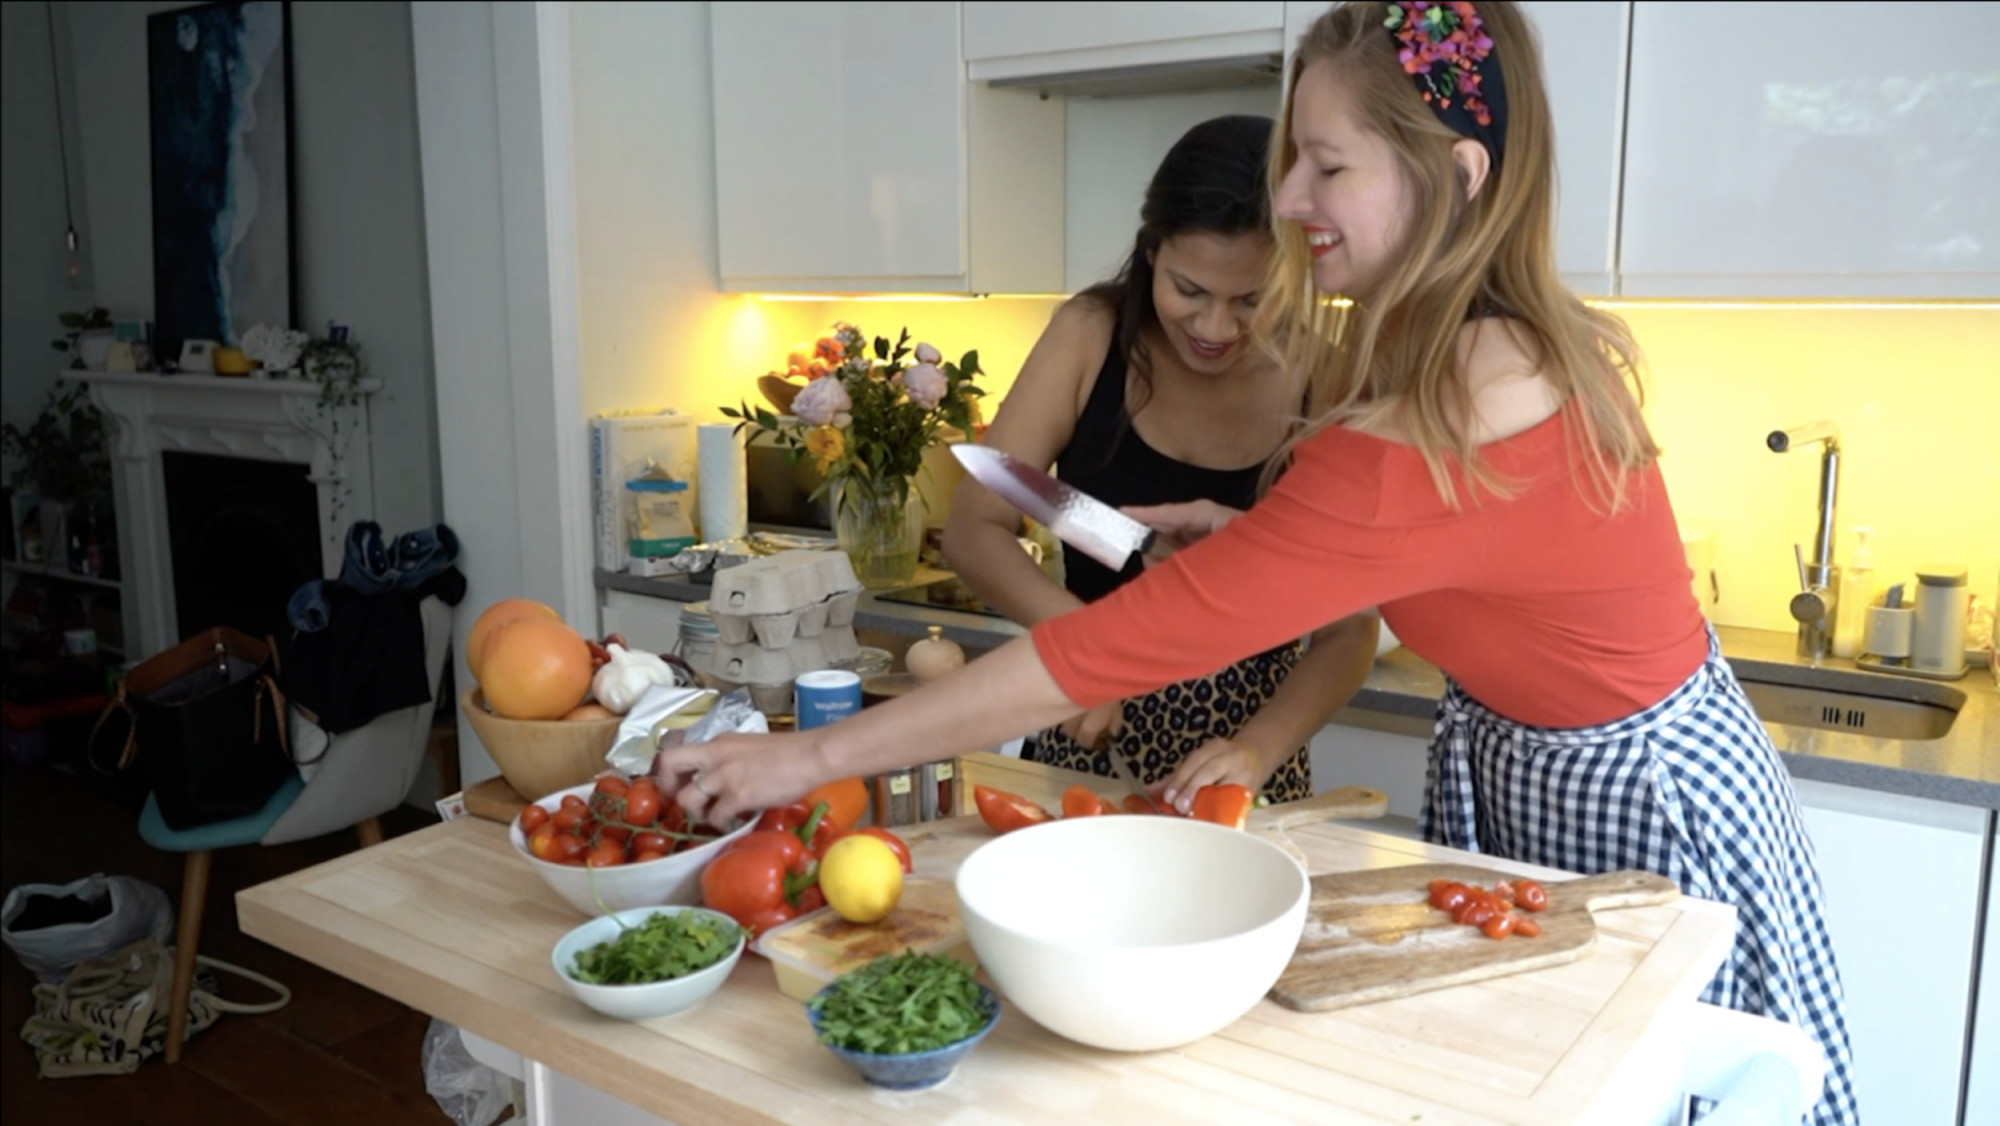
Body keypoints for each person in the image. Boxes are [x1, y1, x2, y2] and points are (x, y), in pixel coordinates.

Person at [663, 4, 1858, 1122]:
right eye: (1293, 156)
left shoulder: (1440, 404)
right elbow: (1440, 561)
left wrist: (805, 757)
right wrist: (1256, 547)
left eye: (1326, 165)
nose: (1287, 196)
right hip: (1553, 762)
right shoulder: (1475, 349)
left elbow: (1108, 648)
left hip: (1638, 800)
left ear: (1453, 177)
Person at [941, 114, 1380, 805]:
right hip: (1082, 724)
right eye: (1189, 290)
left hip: (1245, 760)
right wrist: (1086, 649)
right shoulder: (1090, 336)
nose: (1214, 328)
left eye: (1252, 302)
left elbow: (1350, 628)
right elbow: (974, 527)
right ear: (1151, 253)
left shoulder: (1327, 382)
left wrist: (1255, 750)